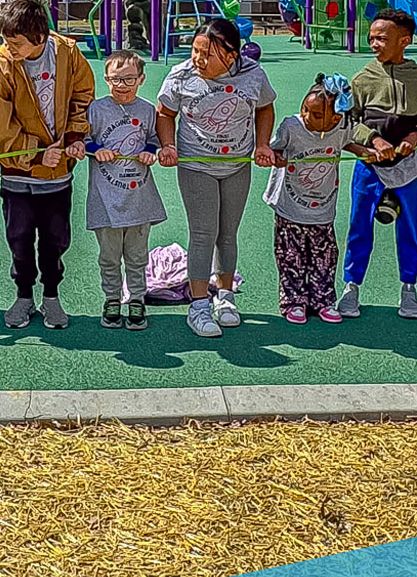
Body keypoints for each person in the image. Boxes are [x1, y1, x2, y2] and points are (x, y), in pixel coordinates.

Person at [157, 18, 276, 339]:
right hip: (197, 165)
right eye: (195, 51)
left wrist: (263, 144)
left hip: (237, 164)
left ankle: (225, 297)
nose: (198, 59)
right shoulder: (181, 76)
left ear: (232, 54)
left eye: (207, 54)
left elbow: (265, 108)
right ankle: (198, 306)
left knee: (227, 234)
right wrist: (168, 145)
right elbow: (165, 113)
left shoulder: (253, 74)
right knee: (203, 233)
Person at [0, 0, 94, 330]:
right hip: (17, 175)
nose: (9, 47)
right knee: (18, 239)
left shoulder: (68, 53)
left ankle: (51, 296)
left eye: (16, 42)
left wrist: (75, 137)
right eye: (6, 40)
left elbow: (83, 96)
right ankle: (23, 297)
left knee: (55, 239)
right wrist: (34, 153)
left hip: (57, 174)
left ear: (40, 37)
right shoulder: (1, 64)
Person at [339, 9, 417, 321]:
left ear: (404, 41)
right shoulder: (362, 79)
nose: (374, 44)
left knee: (410, 229)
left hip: (407, 168)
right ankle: (351, 287)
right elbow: (348, 121)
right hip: (369, 167)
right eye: (371, 38)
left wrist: (416, 134)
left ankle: (409, 288)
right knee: (359, 226)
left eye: (382, 38)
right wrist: (373, 139)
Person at [86, 50, 166, 331]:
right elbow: (82, 139)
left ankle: (137, 299)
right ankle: (112, 299)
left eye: (129, 79)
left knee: (137, 256)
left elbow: (154, 138)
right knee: (109, 256)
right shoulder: (96, 109)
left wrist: (149, 151)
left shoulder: (147, 110)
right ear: (106, 79)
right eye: (115, 79)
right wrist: (96, 149)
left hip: (138, 199)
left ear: (141, 79)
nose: (121, 85)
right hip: (105, 199)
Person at [266, 76, 356, 324]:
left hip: (322, 210)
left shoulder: (342, 127)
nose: (306, 116)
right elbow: (274, 148)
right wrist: (276, 157)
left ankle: (323, 301)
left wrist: (367, 152)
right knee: (290, 257)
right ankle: (293, 301)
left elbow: (349, 143)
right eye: (305, 109)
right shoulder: (292, 126)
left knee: (324, 257)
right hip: (290, 209)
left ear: (335, 119)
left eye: (315, 114)